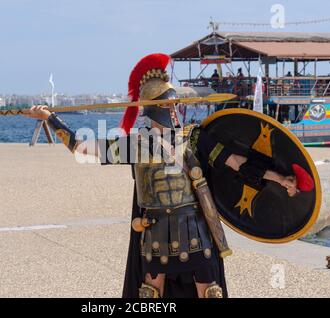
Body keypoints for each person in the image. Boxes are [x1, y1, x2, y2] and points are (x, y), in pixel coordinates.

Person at [25, 53, 298, 298]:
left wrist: (279, 178)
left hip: (196, 231)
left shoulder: (193, 139)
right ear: (155, 107)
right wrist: (51, 119)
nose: (175, 111)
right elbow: (83, 149)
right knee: (151, 295)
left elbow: (236, 162)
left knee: (209, 292)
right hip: (154, 231)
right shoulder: (136, 145)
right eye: (170, 106)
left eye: (175, 105)